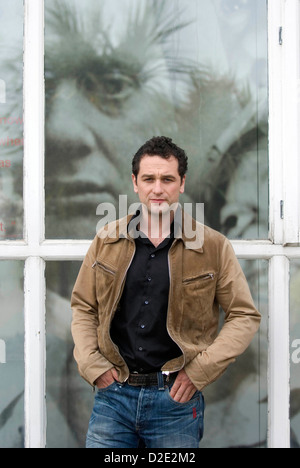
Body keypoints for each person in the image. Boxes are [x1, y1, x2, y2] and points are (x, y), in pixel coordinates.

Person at [71, 136, 261, 449]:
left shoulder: (212, 246)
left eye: (167, 179)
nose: (157, 189)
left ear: (181, 183)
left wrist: (199, 372)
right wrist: (93, 365)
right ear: (135, 182)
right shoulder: (107, 239)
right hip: (113, 397)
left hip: (175, 401)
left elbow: (244, 315)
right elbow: (83, 307)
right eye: (149, 179)